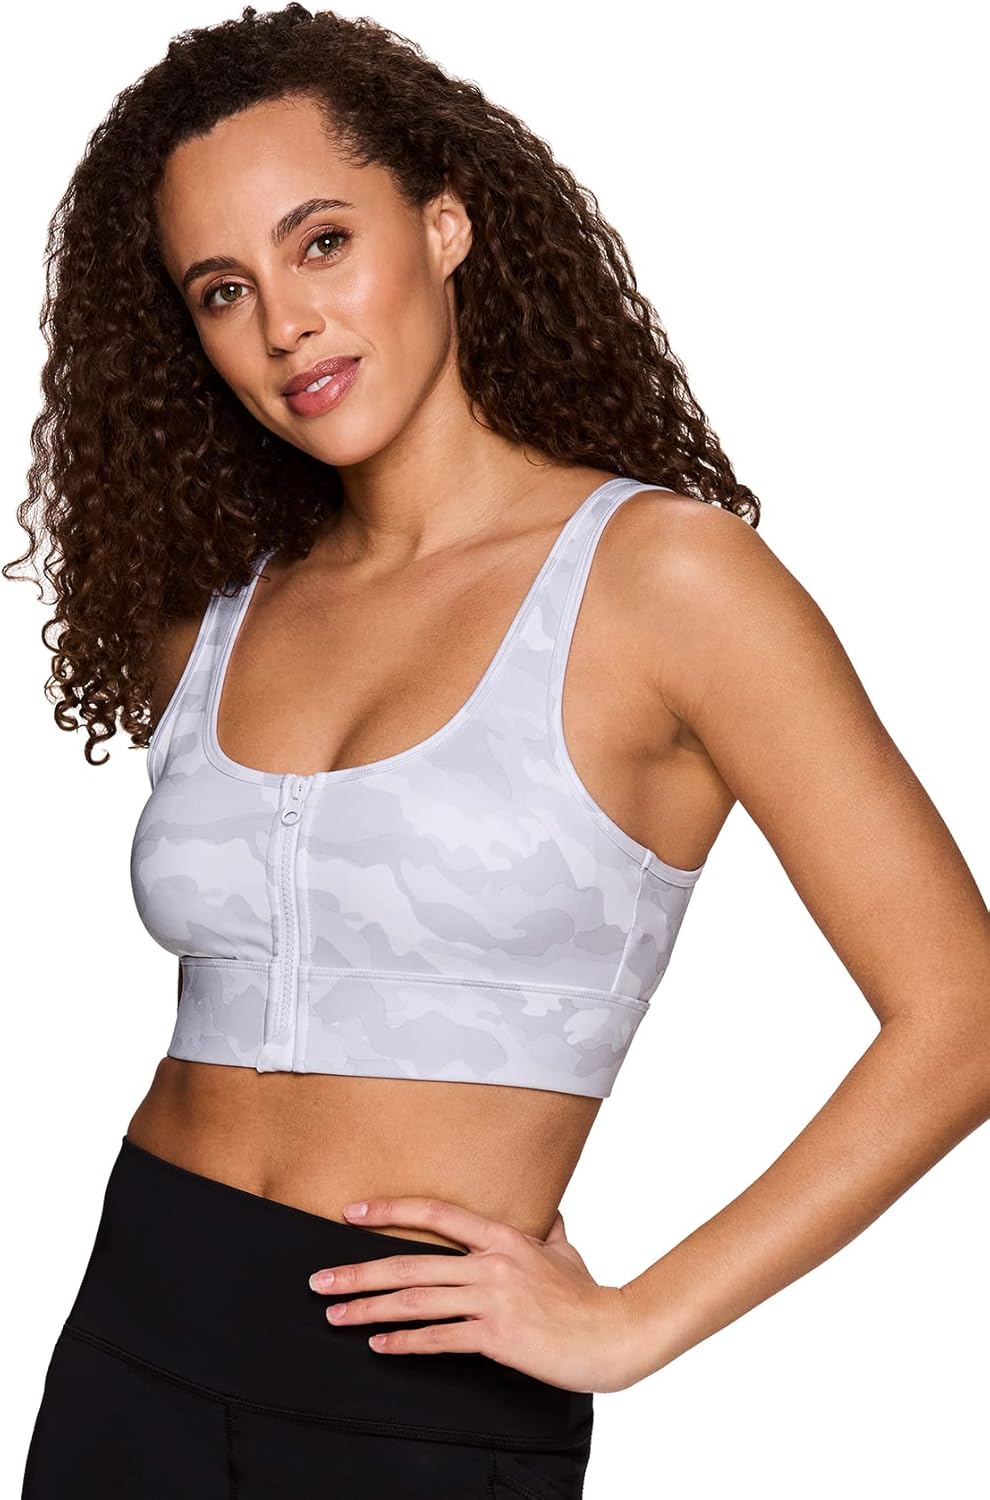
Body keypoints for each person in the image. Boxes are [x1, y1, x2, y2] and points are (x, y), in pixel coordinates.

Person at [12, 5, 989, 1496]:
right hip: (134, 1337)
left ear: (446, 223)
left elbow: (962, 1011)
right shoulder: (219, 614)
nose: (285, 324)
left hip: (420, 1398)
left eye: (321, 242)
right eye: (224, 289)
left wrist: (636, 1320)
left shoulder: (667, 581)